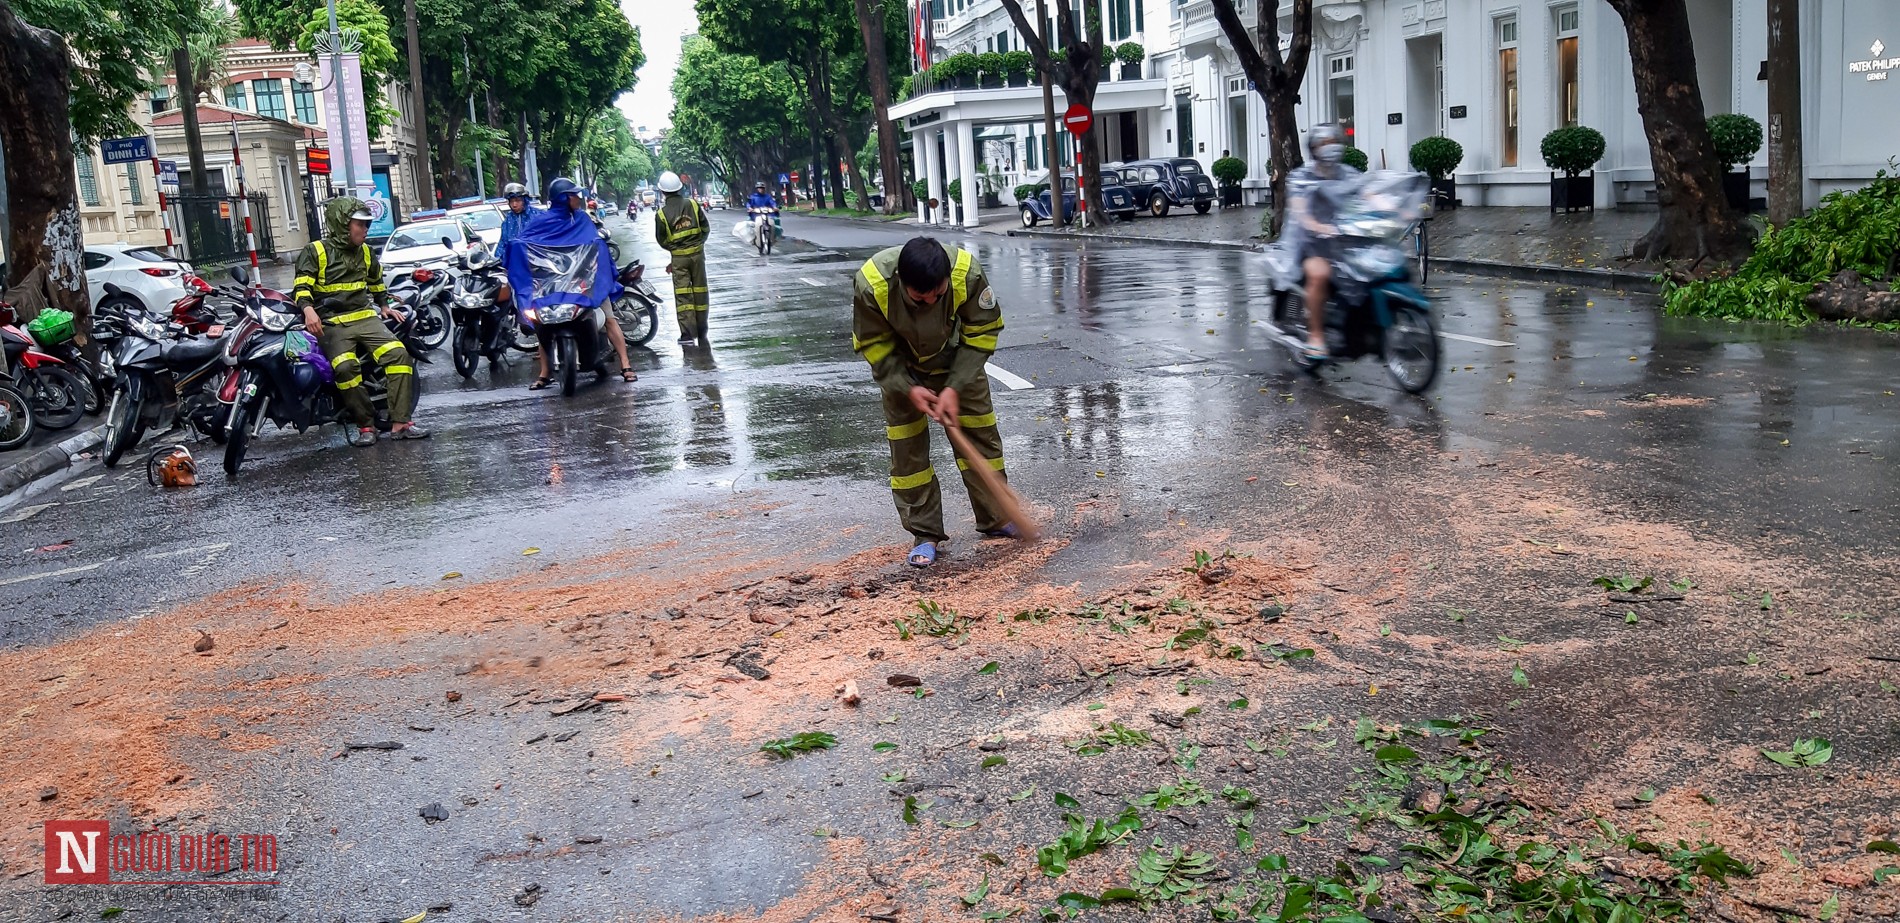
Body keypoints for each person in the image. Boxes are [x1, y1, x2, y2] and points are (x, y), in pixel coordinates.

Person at [851, 236, 1010, 568]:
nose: (931, 302)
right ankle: (925, 535)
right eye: (920, 298)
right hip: (902, 369)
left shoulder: (966, 274)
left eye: (938, 295)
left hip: (957, 364)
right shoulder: (873, 284)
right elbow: (874, 345)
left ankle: (997, 517)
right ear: (902, 283)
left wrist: (955, 386)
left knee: (981, 439)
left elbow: (982, 330)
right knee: (909, 456)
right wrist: (907, 388)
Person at [292, 197, 428, 444]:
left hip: (366, 318)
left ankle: (400, 423)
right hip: (332, 323)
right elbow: (301, 287)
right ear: (343, 223)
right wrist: (308, 310)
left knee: (399, 355)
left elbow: (375, 281)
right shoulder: (316, 251)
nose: (365, 230)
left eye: (367, 225)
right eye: (360, 224)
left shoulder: (366, 252)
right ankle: (366, 426)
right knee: (345, 368)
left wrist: (385, 305)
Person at [518, 177, 638, 389]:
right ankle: (545, 372)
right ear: (564, 198)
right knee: (539, 322)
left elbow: (594, 243)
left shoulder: (581, 219)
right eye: (574, 195)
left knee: (609, 317)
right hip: (552, 284)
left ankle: (625, 365)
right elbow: (522, 242)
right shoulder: (542, 222)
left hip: (584, 281)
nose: (578, 199)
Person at [1282, 123, 1362, 361]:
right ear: (1314, 148)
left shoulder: (1349, 174)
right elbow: (1299, 210)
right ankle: (1316, 335)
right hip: (1309, 244)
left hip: (1343, 242)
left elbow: (1369, 195)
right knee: (1320, 274)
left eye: (1334, 142)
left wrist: (1396, 209)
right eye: (1325, 144)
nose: (1331, 148)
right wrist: (1316, 225)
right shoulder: (1301, 177)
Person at [653, 171, 711, 344]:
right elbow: (705, 228)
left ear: (662, 192)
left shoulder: (661, 214)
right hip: (698, 255)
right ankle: (702, 330)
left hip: (678, 259)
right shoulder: (693, 204)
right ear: (680, 187)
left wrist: (675, 250)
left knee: (683, 296)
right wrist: (697, 245)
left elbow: (661, 240)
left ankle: (687, 334)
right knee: (700, 291)